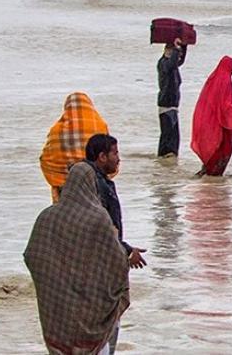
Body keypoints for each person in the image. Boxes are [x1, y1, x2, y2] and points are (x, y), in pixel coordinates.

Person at [24, 162, 130, 355]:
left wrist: (54, 282)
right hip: (92, 307)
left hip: (59, 309)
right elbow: (117, 261)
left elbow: (33, 256)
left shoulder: (47, 216)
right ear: (91, 184)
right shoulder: (99, 218)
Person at [84, 134, 145, 353]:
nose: (119, 159)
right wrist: (126, 250)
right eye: (115, 153)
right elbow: (103, 231)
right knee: (104, 331)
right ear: (102, 157)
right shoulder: (98, 186)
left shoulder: (85, 183)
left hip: (86, 274)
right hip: (99, 273)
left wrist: (125, 248)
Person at [40, 92, 110, 203]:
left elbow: (46, 159)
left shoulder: (57, 130)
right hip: (95, 185)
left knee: (68, 217)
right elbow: (108, 157)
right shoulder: (100, 126)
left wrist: (60, 174)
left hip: (64, 188)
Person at [191, 56, 232, 176]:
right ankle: (213, 176)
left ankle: (206, 172)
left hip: (207, 121)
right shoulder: (226, 81)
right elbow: (224, 107)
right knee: (221, 150)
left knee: (212, 150)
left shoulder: (212, 79)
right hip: (220, 125)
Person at [157, 38, 187, 157]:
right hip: (166, 105)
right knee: (168, 138)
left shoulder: (171, 65)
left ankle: (168, 159)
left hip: (172, 105)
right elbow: (172, 63)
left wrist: (183, 46)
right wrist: (176, 48)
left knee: (173, 138)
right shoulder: (163, 63)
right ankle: (164, 158)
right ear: (167, 51)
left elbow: (178, 61)